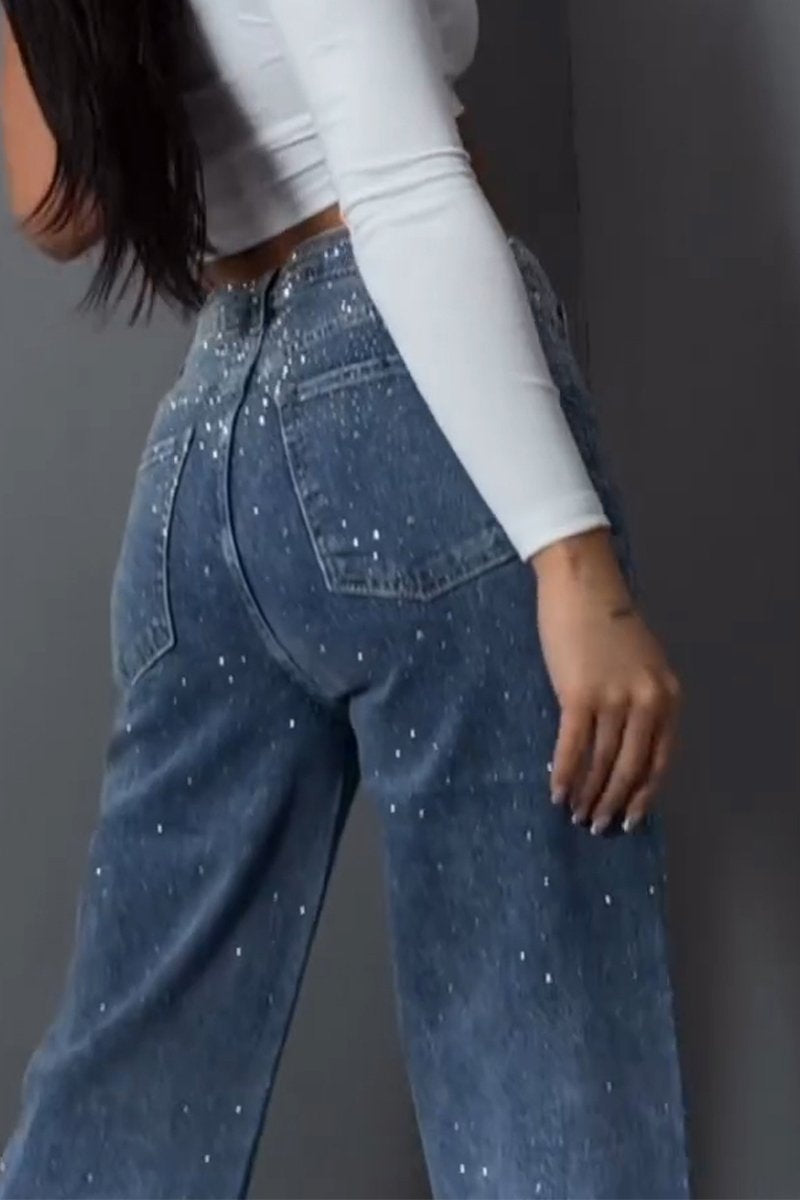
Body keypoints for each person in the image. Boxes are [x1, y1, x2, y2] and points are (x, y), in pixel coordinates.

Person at [0, 1, 690, 1197]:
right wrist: (572, 561)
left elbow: (64, 205)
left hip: (209, 451)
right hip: (413, 411)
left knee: (133, 1075)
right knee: (535, 1054)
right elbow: (401, 173)